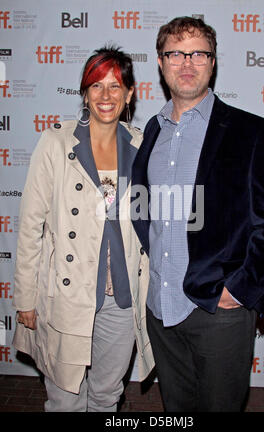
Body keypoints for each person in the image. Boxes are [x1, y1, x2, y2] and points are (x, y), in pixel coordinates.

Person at [131, 17, 264, 412]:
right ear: (161, 62)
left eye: (198, 53)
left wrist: (238, 292)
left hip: (219, 310)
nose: (187, 63)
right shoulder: (152, 130)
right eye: (176, 53)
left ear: (212, 62)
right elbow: (142, 206)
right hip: (161, 308)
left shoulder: (251, 131)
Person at [12, 46, 154, 412]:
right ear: (84, 93)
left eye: (115, 86)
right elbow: (30, 225)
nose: (106, 96)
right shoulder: (56, 143)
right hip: (68, 295)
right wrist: (25, 297)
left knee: (107, 396)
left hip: (121, 299)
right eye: (96, 86)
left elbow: (149, 227)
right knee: (65, 399)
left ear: (129, 95)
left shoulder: (142, 146)